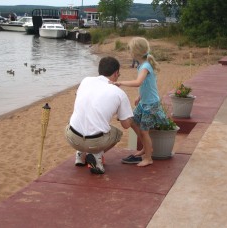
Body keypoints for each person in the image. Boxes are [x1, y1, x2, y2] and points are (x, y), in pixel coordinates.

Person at [65, 56, 134, 174]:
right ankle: (97, 156)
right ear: (116, 73)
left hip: (72, 138)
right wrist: (130, 114)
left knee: (75, 119)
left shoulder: (85, 80)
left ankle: (80, 155)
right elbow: (126, 125)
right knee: (117, 133)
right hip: (95, 143)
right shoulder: (119, 93)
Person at [112, 37, 169, 167]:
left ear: (136, 52)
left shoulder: (145, 66)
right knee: (132, 121)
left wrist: (120, 82)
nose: (130, 53)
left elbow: (138, 82)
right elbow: (147, 85)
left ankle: (148, 157)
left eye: (130, 51)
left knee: (144, 131)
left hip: (151, 105)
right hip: (144, 102)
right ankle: (145, 147)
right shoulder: (142, 64)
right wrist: (140, 96)